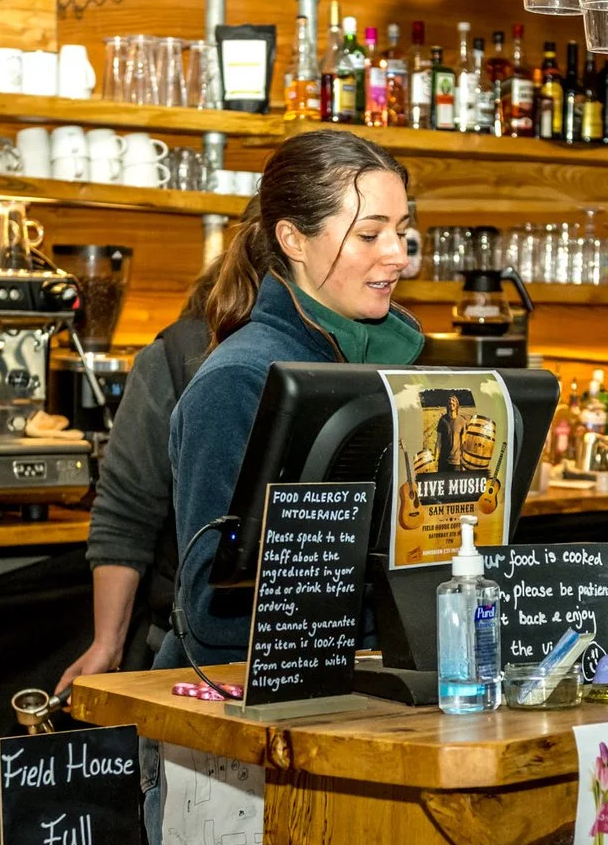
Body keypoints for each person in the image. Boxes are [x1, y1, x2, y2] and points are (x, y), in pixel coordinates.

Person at [168, 130, 422, 668]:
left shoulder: (379, 368)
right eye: (369, 235)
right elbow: (215, 604)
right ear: (294, 240)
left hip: (343, 682)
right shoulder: (239, 381)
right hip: (231, 705)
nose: (398, 254)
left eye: (401, 232)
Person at [56, 265, 261, 697]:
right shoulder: (178, 354)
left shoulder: (358, 340)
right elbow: (126, 511)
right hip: (194, 651)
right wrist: (107, 645)